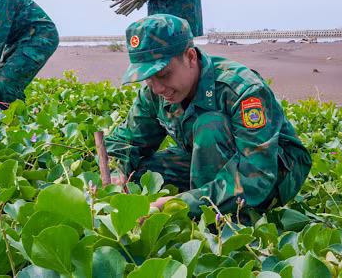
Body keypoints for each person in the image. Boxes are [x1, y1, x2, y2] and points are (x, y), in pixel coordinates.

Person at [104, 15, 311, 218]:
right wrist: (117, 173)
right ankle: (203, 199)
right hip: (208, 160)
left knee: (210, 126)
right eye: (147, 78)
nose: (157, 88)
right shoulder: (154, 92)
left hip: (274, 171)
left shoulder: (242, 89)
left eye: (163, 74)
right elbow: (124, 142)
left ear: (190, 57)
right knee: (138, 176)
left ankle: (220, 221)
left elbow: (256, 176)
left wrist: (178, 204)